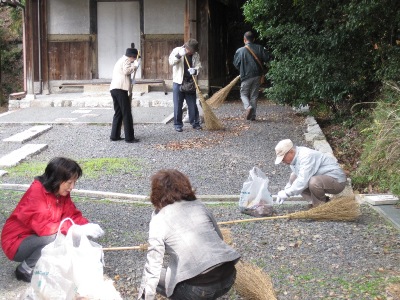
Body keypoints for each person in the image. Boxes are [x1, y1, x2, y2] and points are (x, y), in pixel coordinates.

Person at [137, 169, 240, 300]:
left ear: (156, 193)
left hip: (197, 289)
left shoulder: (158, 220)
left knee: (151, 278)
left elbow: (153, 269)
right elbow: (219, 238)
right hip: (228, 277)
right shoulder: (199, 206)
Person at [1, 157, 104, 283]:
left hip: (33, 237)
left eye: (74, 182)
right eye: (69, 182)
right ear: (57, 179)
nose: (72, 187)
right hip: (16, 241)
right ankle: (25, 269)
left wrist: (87, 225)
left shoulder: (60, 192)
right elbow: (44, 228)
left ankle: (45, 265)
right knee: (54, 237)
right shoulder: (36, 193)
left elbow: (71, 215)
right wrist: (75, 229)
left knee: (68, 235)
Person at [274, 139, 347, 207]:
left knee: (314, 182)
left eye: (283, 158)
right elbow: (296, 180)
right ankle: (314, 203)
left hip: (337, 181)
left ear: (291, 152)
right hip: (321, 178)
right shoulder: (293, 161)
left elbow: (303, 180)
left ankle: (320, 207)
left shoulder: (306, 156)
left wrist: (287, 193)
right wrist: (285, 190)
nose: (282, 161)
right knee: (294, 177)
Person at [233, 31, 269, 121]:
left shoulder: (240, 51)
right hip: (257, 75)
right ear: (254, 39)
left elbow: (236, 64)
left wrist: (241, 69)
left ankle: (248, 107)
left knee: (243, 94)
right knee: (254, 95)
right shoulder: (260, 48)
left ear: (244, 40)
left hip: (245, 75)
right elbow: (267, 58)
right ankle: (253, 116)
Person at [169, 39, 202, 132]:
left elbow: (198, 65)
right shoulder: (177, 50)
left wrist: (195, 70)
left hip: (190, 81)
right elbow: (171, 62)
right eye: (190, 50)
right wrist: (179, 55)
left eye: (192, 51)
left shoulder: (195, 55)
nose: (191, 52)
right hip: (178, 81)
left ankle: (195, 123)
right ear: (186, 47)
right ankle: (178, 124)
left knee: (192, 104)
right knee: (178, 104)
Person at [110, 48, 140, 143]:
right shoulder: (126, 60)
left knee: (118, 112)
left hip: (114, 89)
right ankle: (129, 137)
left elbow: (123, 74)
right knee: (127, 113)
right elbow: (126, 71)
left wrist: (130, 81)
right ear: (132, 56)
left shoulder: (121, 60)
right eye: (134, 58)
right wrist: (135, 66)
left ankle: (114, 135)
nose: (134, 60)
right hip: (120, 89)